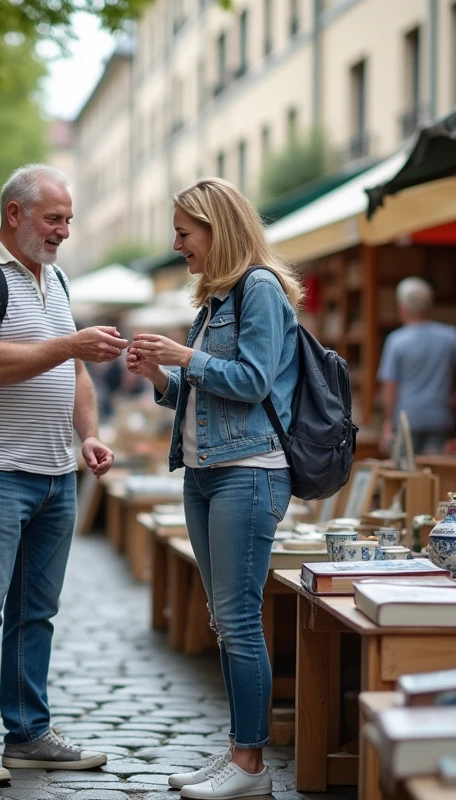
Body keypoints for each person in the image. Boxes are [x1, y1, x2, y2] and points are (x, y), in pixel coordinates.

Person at [0, 164, 122, 787]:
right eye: (53, 218)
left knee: (37, 611)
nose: (64, 230)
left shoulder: (56, 278)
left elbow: (79, 374)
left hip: (56, 473)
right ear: (15, 214)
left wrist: (88, 432)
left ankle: (28, 733)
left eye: (68, 219)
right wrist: (71, 346)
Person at [126, 178, 302, 800]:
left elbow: (253, 380)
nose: (177, 245)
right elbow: (209, 397)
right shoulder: (218, 299)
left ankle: (250, 765)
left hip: (250, 473)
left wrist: (183, 356)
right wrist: (161, 377)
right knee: (226, 621)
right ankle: (237, 749)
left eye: (183, 232)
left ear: (215, 227)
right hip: (206, 473)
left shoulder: (259, 288)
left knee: (239, 620)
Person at [377, 277, 456, 456]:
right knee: (433, 473)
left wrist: (387, 422)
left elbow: (390, 385)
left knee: (406, 476)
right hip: (439, 416)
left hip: (406, 419)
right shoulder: (449, 335)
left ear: (403, 308)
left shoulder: (397, 341)